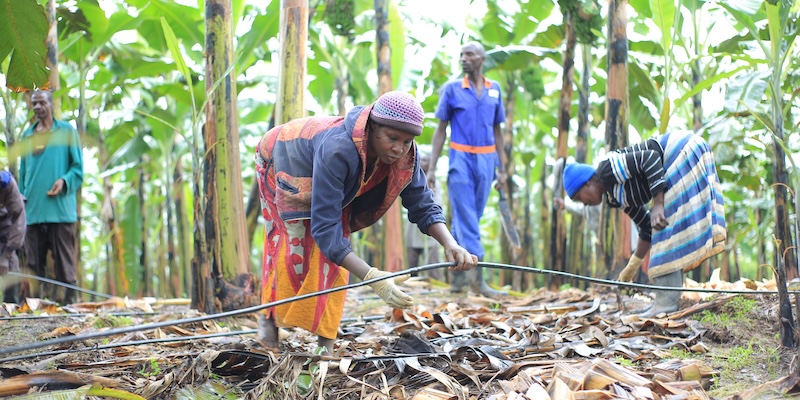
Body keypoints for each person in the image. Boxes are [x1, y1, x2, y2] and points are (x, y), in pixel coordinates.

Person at [255, 91, 478, 353]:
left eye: (406, 142)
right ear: (371, 127)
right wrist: (371, 276)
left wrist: (450, 244)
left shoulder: (405, 155)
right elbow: (325, 229)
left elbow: (422, 202)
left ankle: (324, 344)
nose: (398, 148)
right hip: (283, 155)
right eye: (392, 138)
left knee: (336, 251)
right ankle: (268, 324)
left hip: (325, 172)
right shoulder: (338, 148)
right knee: (290, 242)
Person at [563, 131, 726, 317]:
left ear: (587, 183)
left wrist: (658, 204)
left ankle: (666, 304)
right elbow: (646, 228)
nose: (583, 203)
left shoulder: (606, 170)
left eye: (579, 197)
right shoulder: (614, 196)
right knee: (659, 225)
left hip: (680, 151)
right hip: (688, 152)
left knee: (663, 227)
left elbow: (650, 157)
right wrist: (631, 267)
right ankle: (669, 301)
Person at [428, 41, 508, 297]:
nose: (464, 58)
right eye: (461, 54)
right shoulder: (452, 89)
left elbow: (498, 131)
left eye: (470, 54)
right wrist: (431, 169)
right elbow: (440, 129)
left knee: (472, 215)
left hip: (487, 160)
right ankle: (479, 279)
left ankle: (458, 280)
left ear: (482, 59)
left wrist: (502, 169)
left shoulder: (494, 89)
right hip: (459, 158)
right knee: (467, 217)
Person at [19, 90, 84, 305]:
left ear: (51, 104)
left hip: (60, 211)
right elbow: (23, 173)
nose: (37, 107)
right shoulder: (27, 136)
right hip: (33, 211)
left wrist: (64, 181)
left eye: (42, 103)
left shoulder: (66, 131)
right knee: (34, 264)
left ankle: (70, 304)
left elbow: (78, 168)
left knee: (64, 262)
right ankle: (35, 306)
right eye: (34, 104)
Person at [404, 152, 441, 279]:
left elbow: (435, 204)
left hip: (429, 220)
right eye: (423, 159)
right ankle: (411, 278)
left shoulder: (435, 182)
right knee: (412, 253)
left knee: (432, 252)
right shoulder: (412, 178)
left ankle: (434, 279)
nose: (425, 162)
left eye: (427, 160)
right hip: (413, 223)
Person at [0, 170, 27, 303]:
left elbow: (19, 219)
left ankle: (10, 302)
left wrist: (6, 255)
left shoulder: (8, 184)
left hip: (6, 219)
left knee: (10, 263)